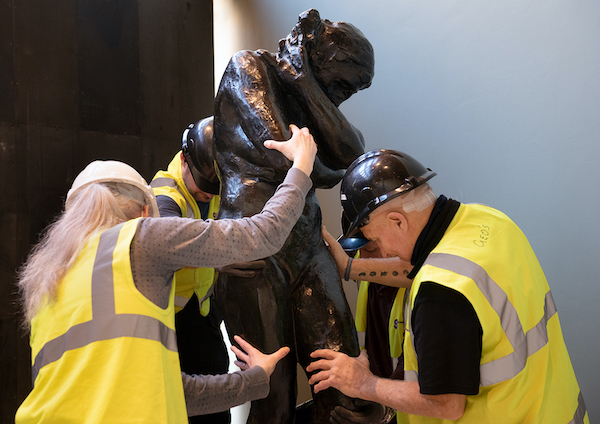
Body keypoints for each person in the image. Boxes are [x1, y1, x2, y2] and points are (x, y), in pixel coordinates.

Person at [14, 125, 317, 423]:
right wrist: (301, 166)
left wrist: (256, 379)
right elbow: (263, 235)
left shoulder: (46, 282)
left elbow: (169, 391)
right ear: (146, 212)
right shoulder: (141, 237)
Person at [308, 149, 589, 423]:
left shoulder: (439, 294)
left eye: (376, 242)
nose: (381, 254)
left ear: (398, 221)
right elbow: (420, 268)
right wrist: (350, 268)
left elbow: (444, 404)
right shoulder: (489, 221)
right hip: (554, 407)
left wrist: (364, 384)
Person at [213, 8, 376, 423]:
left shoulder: (305, 88)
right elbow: (289, 154)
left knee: (344, 378)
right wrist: (320, 163)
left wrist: (302, 81)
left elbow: (353, 155)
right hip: (251, 253)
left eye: (352, 91)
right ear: (317, 52)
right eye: (343, 83)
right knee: (272, 391)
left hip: (305, 246)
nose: (344, 96)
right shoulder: (247, 66)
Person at [151, 116, 258, 423]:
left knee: (215, 400)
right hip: (170, 320)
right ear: (184, 160)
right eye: (203, 187)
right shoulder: (164, 196)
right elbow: (168, 248)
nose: (210, 195)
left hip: (201, 313)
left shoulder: (213, 185)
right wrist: (220, 260)